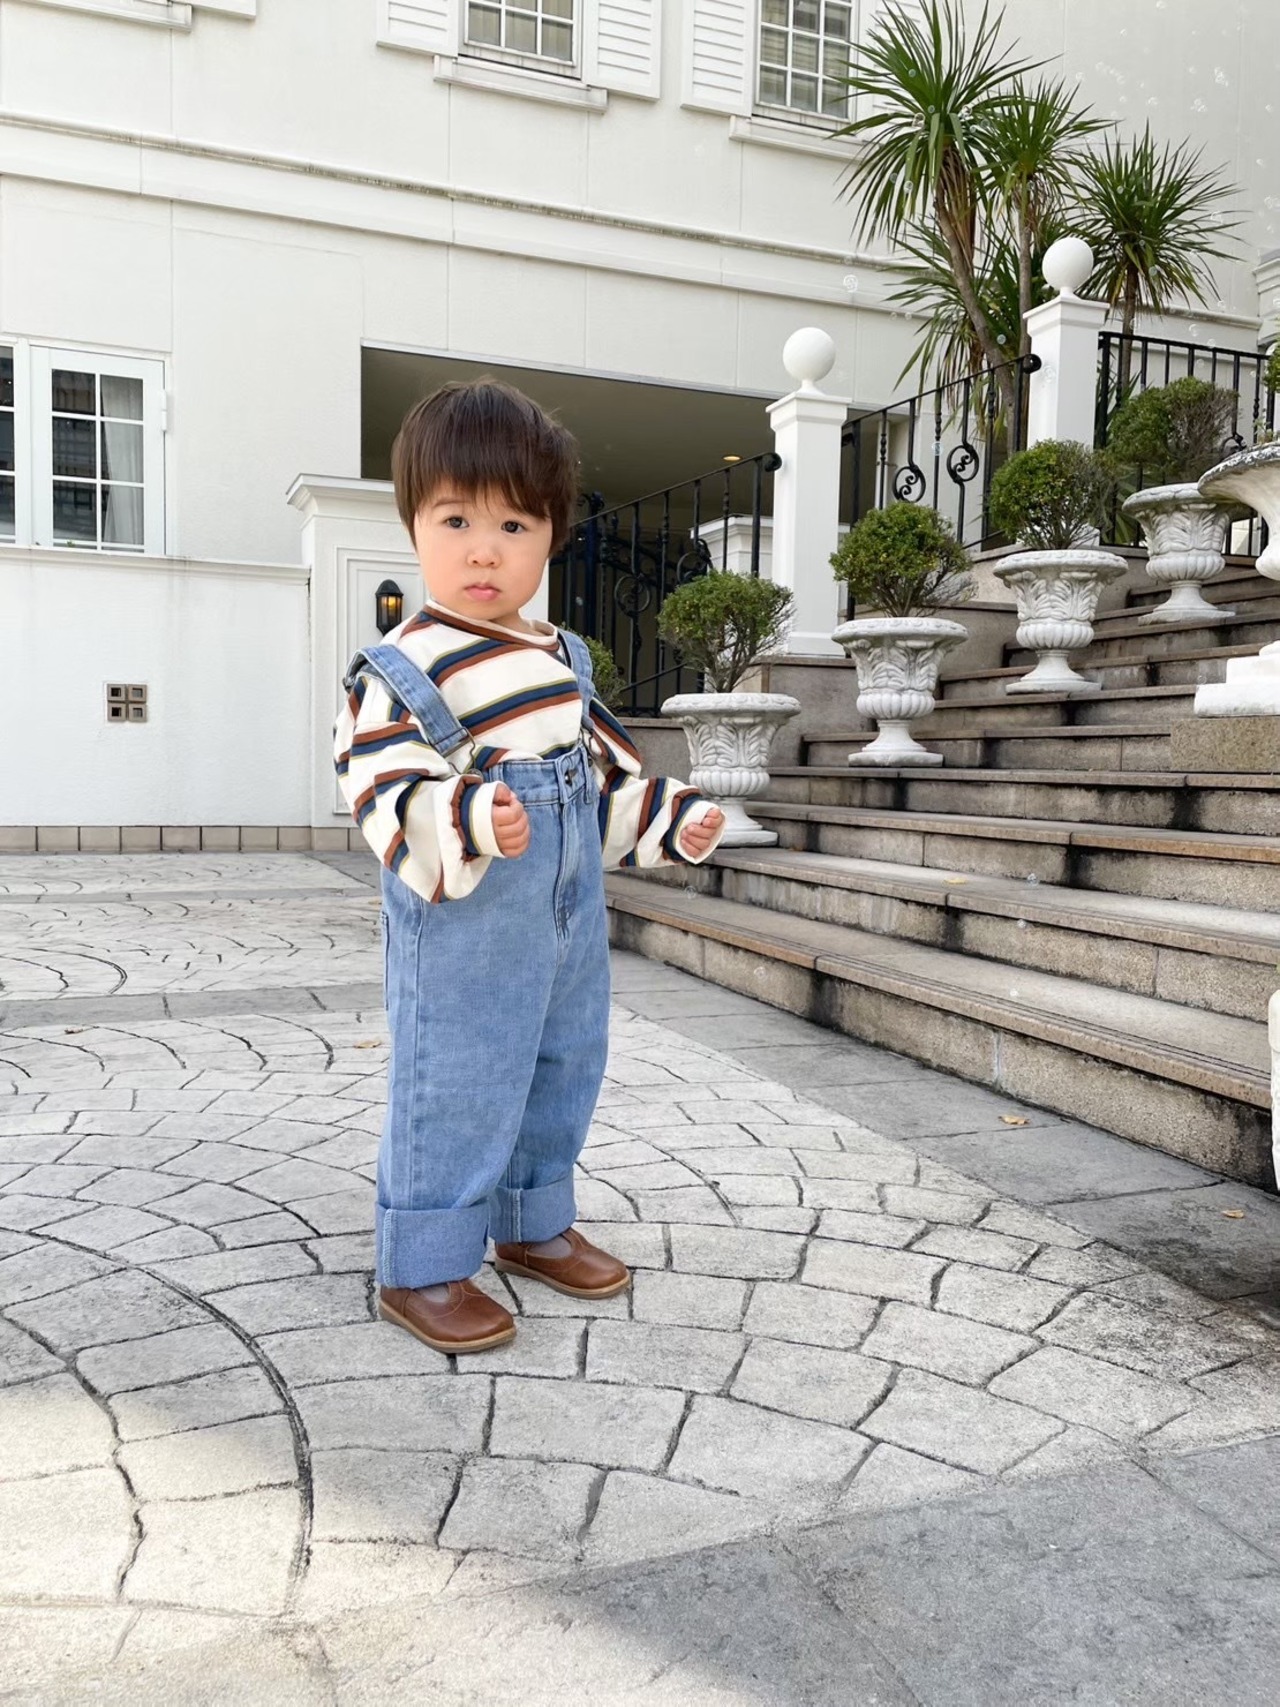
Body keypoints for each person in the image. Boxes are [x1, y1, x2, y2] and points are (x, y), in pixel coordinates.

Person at [334, 378, 726, 1354]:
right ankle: (423, 1262)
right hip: (466, 923)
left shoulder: (561, 658)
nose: (484, 549)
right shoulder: (404, 665)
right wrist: (466, 815)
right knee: (459, 1076)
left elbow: (600, 776)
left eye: (513, 524)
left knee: (563, 1061)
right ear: (413, 524)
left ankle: (531, 1219)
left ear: (551, 534)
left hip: (567, 919)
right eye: (456, 520)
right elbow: (376, 781)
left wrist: (669, 816)